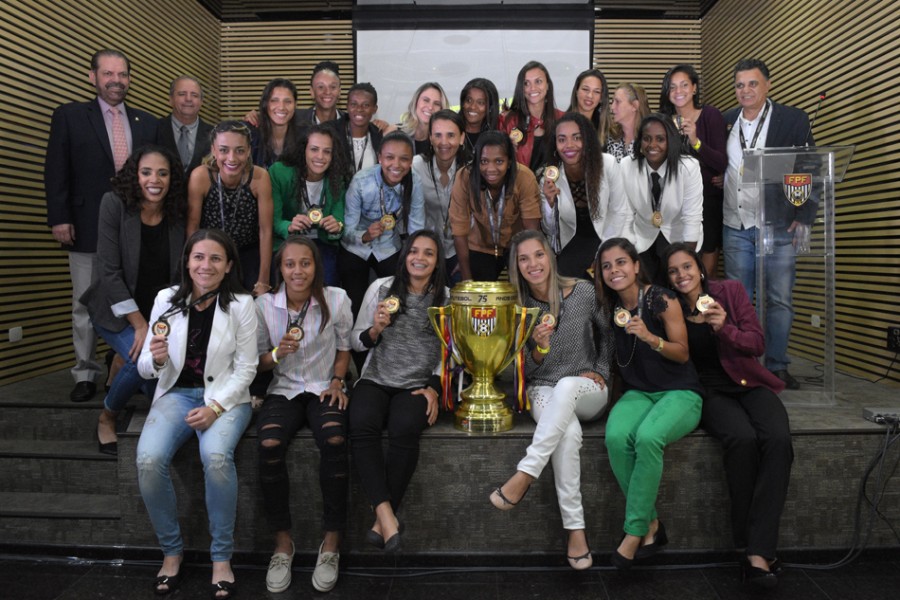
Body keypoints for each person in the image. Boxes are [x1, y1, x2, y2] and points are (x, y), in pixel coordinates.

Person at [136, 229, 258, 599]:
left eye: (215, 259)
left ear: (228, 266)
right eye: (199, 257)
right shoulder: (165, 300)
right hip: (176, 393)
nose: (206, 265)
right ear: (187, 262)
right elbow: (144, 365)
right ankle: (172, 552)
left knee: (216, 456)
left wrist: (215, 407)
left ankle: (221, 558)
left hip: (225, 397)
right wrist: (155, 359)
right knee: (147, 459)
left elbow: (247, 367)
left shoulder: (241, 304)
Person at [663, 243, 792, 588]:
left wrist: (725, 329)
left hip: (748, 382)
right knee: (742, 439)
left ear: (700, 268)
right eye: (674, 271)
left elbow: (758, 343)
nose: (682, 275)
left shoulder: (729, 292)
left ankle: (758, 548)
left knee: (778, 439)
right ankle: (751, 549)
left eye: (687, 267)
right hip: (708, 391)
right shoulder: (669, 307)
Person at [489, 230, 612, 571]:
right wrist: (539, 348)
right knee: (567, 435)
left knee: (568, 386)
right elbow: (518, 370)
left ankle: (524, 475)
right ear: (516, 266)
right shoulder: (518, 308)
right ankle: (576, 532)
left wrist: (601, 369)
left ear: (550, 256)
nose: (533, 264)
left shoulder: (584, 291)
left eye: (538, 255)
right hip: (542, 387)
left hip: (587, 387)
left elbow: (608, 334)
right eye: (523, 259)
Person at [44, 48, 157, 403]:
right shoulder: (70, 116)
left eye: (122, 74)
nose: (116, 81)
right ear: (92, 76)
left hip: (135, 227)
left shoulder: (147, 123)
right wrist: (59, 216)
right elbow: (56, 168)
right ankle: (85, 372)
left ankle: (120, 361)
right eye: (108, 74)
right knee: (85, 300)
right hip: (86, 224)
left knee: (133, 295)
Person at [593, 237, 702, 570]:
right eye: (607, 266)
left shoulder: (661, 298)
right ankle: (652, 524)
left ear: (636, 266)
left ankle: (634, 531)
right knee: (615, 437)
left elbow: (683, 352)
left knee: (647, 438)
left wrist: (652, 339)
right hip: (639, 393)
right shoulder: (611, 309)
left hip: (680, 392)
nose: (614, 270)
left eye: (621, 262)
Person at [254, 236, 353, 594]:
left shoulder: (337, 299)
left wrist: (339, 381)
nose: (298, 271)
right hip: (284, 387)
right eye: (290, 264)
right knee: (268, 444)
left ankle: (331, 543)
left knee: (335, 439)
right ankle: (283, 544)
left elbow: (344, 346)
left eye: (305, 263)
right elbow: (257, 362)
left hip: (325, 385)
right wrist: (277, 354)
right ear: (280, 269)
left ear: (316, 266)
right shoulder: (265, 305)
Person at [80, 145, 186, 456]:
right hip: (115, 309)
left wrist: (160, 322)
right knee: (143, 363)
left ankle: (119, 363)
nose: (155, 180)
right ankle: (108, 415)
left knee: (158, 381)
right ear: (134, 175)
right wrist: (140, 325)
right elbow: (109, 272)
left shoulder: (177, 208)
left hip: (160, 314)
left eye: (163, 173)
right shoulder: (114, 204)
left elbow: (180, 273)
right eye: (146, 172)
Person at [348, 230, 449, 554]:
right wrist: (376, 328)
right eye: (414, 251)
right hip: (376, 378)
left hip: (417, 385)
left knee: (405, 427)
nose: (420, 258)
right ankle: (387, 516)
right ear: (405, 255)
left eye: (429, 253)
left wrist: (434, 388)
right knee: (361, 422)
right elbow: (354, 341)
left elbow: (454, 352)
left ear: (437, 261)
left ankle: (382, 520)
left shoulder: (446, 297)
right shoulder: (381, 288)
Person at [721, 58, 815, 390]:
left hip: (778, 225)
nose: (745, 90)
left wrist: (803, 215)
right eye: (739, 84)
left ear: (768, 85)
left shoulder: (792, 119)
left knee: (779, 298)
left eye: (752, 84)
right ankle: (743, 367)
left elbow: (809, 167)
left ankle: (776, 365)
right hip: (736, 223)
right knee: (740, 299)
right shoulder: (726, 121)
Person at [339, 131, 424, 318]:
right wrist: (364, 235)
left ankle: (388, 341)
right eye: (389, 158)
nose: (396, 165)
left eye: (404, 159)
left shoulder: (414, 182)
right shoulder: (361, 181)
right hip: (356, 247)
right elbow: (346, 230)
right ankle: (356, 344)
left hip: (388, 246)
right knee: (354, 303)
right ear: (379, 158)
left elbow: (416, 228)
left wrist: (416, 257)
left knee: (397, 299)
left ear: (411, 162)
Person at [187, 120, 274, 294]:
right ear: (213, 150)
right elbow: (192, 228)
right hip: (209, 252)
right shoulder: (201, 176)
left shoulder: (259, 177)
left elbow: (265, 231)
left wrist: (263, 280)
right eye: (224, 150)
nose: (232, 158)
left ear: (249, 150)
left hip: (248, 253)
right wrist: (192, 270)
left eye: (240, 151)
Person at [540, 112, 630, 278]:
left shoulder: (607, 164)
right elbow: (550, 231)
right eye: (562, 139)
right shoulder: (550, 176)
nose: (569, 145)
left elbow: (620, 211)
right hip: (571, 244)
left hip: (607, 236)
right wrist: (549, 203)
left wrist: (606, 251)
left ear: (587, 139)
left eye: (576, 138)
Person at [658, 64, 727, 277]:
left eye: (684, 85)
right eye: (672, 87)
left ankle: (702, 309)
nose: (678, 92)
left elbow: (721, 163)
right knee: (675, 267)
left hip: (708, 203)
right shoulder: (662, 122)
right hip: (672, 204)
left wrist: (696, 141)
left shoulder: (710, 116)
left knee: (704, 273)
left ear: (694, 88)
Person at [619, 114, 703, 282]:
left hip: (681, 239)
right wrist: (628, 254)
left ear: (670, 141)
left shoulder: (688, 167)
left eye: (660, 139)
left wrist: (686, 262)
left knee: (680, 294)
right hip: (642, 239)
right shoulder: (627, 165)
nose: (652, 145)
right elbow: (625, 215)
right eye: (647, 139)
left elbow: (692, 217)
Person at [449, 131, 541, 281]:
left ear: (509, 162)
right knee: (469, 289)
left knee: (523, 293)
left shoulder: (524, 178)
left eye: (499, 161)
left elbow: (531, 230)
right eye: (484, 161)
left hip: (516, 247)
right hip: (480, 248)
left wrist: (529, 266)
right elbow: (459, 229)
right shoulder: (465, 177)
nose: (490, 169)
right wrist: (467, 279)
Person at [269, 124, 348, 286]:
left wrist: (336, 225)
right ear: (303, 149)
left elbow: (339, 219)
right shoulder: (279, 173)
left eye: (327, 151)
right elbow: (273, 220)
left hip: (322, 241)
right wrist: (289, 225)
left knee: (328, 282)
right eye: (314, 149)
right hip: (288, 241)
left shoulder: (336, 177)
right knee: (284, 283)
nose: (320, 156)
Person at [412, 109, 469, 283]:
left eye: (451, 135)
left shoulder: (471, 170)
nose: (444, 142)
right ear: (430, 138)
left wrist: (465, 260)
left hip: (459, 251)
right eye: (437, 135)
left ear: (461, 138)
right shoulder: (416, 166)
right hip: (426, 252)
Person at [500, 61, 563, 172]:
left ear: (548, 85)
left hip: (555, 187)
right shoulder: (507, 121)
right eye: (526, 83)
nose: (532, 88)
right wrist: (506, 152)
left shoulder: (563, 119)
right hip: (519, 187)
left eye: (538, 81)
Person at [155, 75, 213, 174]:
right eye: (182, 94)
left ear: (201, 102)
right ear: (171, 99)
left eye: (194, 95)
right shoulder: (154, 128)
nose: (188, 99)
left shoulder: (215, 135)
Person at [248, 78, 305, 168]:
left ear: (295, 105)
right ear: (265, 104)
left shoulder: (305, 137)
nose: (281, 107)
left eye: (288, 101)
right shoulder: (252, 135)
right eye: (274, 100)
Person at [398, 82, 450, 156]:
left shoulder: (443, 142)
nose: (430, 107)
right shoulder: (396, 134)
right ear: (416, 101)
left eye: (437, 104)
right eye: (426, 100)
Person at [344, 82, 383, 175]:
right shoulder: (333, 133)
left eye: (366, 105)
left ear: (374, 109)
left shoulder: (379, 135)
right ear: (347, 107)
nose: (359, 109)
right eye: (354, 104)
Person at [567, 68, 613, 147]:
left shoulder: (608, 131)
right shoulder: (561, 124)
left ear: (601, 98)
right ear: (576, 91)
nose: (590, 96)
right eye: (585, 89)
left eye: (596, 92)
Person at [607, 83, 650, 161]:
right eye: (612, 101)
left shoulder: (650, 139)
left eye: (617, 102)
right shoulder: (610, 137)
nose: (612, 107)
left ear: (634, 106)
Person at [296, 61, 346, 125]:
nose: (327, 92)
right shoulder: (296, 122)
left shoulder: (351, 123)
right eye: (321, 87)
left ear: (339, 91)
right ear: (312, 92)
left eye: (333, 87)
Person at [459, 77, 501, 154]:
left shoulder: (498, 135)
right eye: (468, 100)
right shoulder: (452, 130)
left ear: (490, 107)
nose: (472, 106)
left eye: (480, 102)